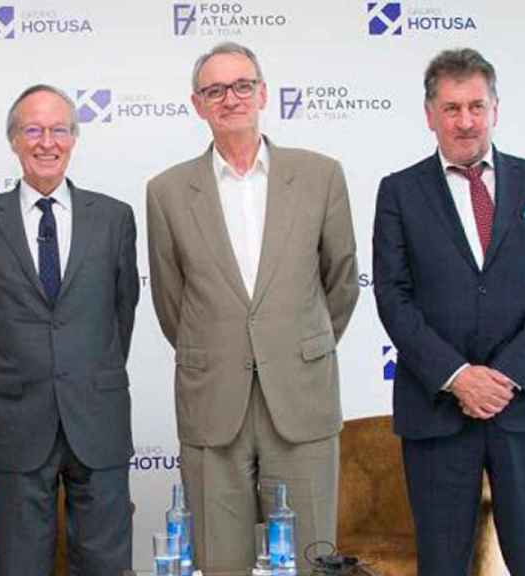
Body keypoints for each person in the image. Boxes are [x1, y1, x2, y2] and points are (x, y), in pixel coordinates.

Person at [146, 42, 359, 572]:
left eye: (242, 86)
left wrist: (295, 345)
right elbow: (172, 304)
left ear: (263, 93)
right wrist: (223, 347)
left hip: (301, 397)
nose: (231, 99)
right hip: (212, 400)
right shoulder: (166, 192)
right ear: (197, 104)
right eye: (215, 90)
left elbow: (341, 282)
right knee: (220, 561)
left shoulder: (321, 176)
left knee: (312, 560)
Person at [373, 47, 525, 575]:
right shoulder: (398, 192)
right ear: (429, 114)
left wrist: (507, 375)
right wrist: (458, 377)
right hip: (438, 410)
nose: (465, 121)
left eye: (476, 106)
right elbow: (393, 296)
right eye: (451, 108)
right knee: (442, 565)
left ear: (495, 109)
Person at [0, 84, 139, 576]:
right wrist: (12, 373)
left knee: (105, 563)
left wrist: (86, 369)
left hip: (97, 415)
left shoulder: (115, 219)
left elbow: (123, 316)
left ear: (74, 139)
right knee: (20, 564)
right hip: (18, 418)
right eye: (32, 130)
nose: (46, 142)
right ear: (13, 139)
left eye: (59, 129)